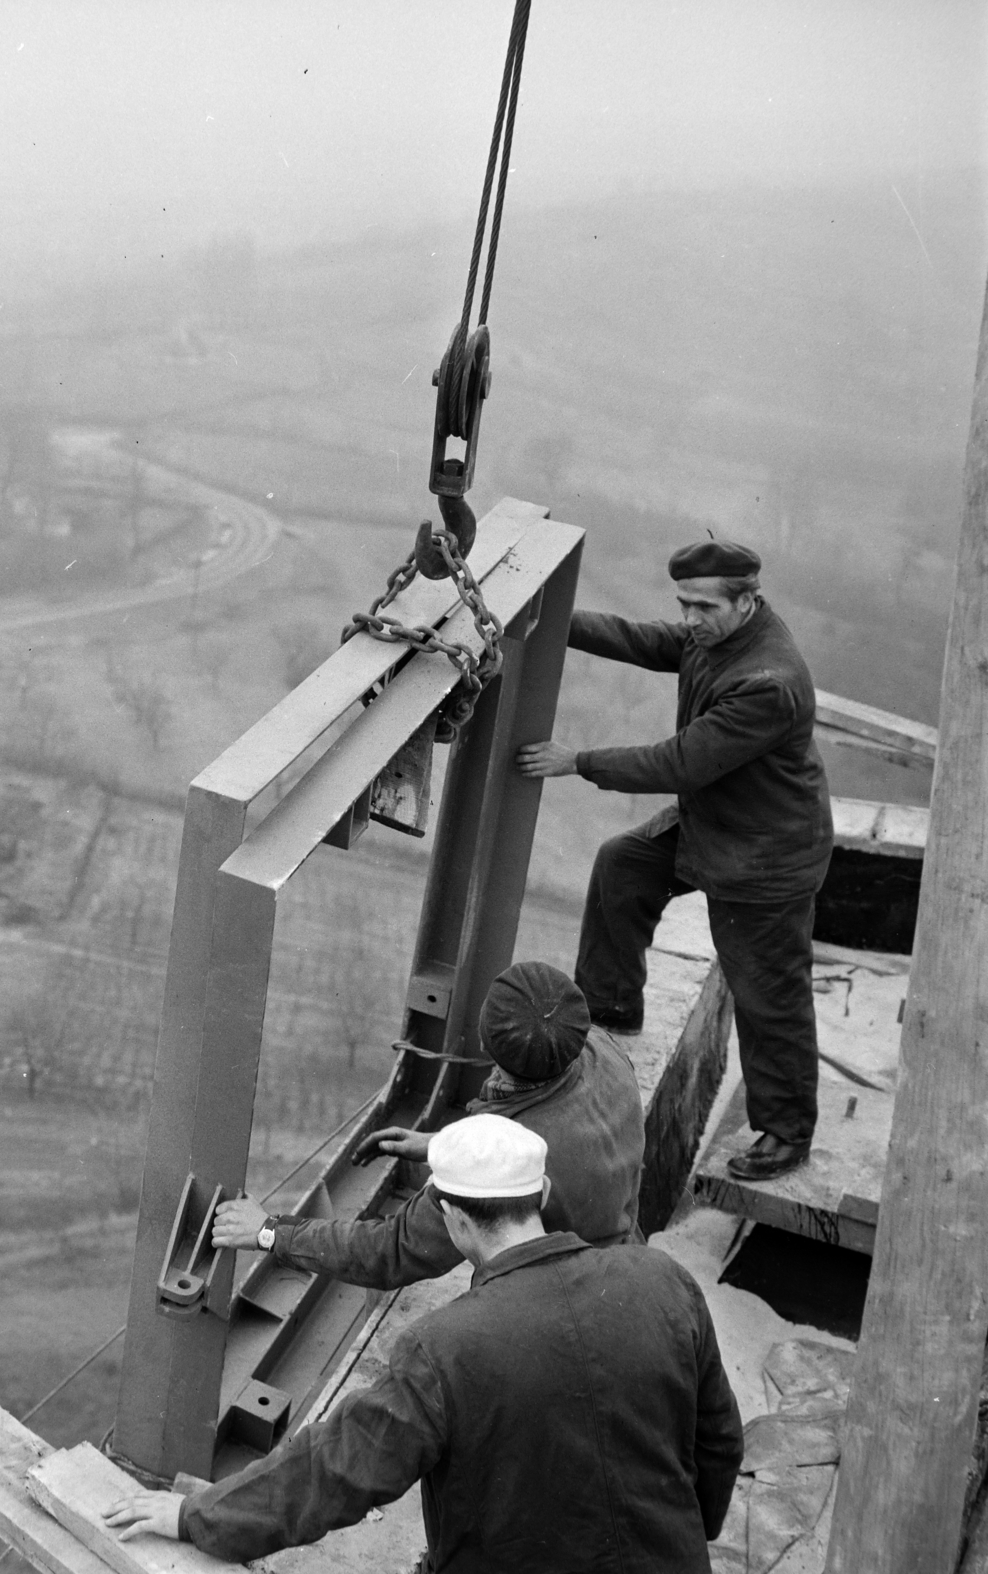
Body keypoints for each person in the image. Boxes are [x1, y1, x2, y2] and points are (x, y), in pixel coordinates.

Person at [105, 1115, 743, 1572]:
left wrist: (195, 1516)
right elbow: (719, 1441)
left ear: (453, 1218)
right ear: (542, 1195)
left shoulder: (444, 1350)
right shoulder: (663, 1280)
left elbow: (331, 1473)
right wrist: (684, 1535)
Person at [515, 540, 831, 1182]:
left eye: (702, 606)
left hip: (764, 857)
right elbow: (645, 638)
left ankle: (787, 1131)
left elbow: (679, 762)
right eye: (683, 603)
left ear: (747, 601)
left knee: (768, 992)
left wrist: (577, 761)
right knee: (624, 865)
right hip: (717, 821)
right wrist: (550, 620)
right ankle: (609, 1007)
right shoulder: (717, 633)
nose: (688, 617)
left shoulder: (766, 682)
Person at [210, 960, 646, 1277]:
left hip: (565, 1299)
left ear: (484, 1041)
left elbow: (393, 1251)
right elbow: (557, 1121)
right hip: (626, 1260)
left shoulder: (500, 1163)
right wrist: (440, 1142)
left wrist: (269, 1232)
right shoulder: (604, 1050)